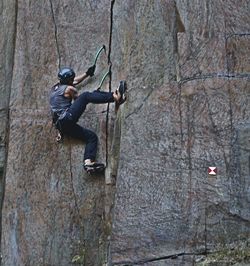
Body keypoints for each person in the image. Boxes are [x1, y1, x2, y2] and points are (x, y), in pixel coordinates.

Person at [49, 66, 127, 172]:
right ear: (68, 80)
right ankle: (115, 97)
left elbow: (75, 81)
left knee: (91, 137)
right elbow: (79, 99)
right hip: (67, 118)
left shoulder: (55, 88)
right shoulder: (69, 89)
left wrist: (87, 74)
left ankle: (88, 162)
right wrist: (95, 95)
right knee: (86, 96)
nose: (73, 80)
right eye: (71, 79)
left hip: (61, 126)